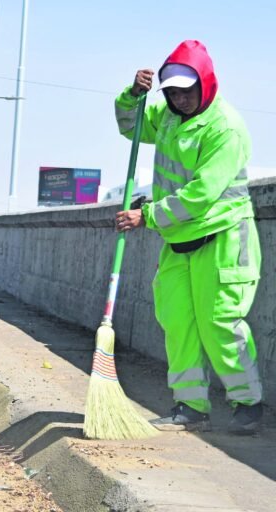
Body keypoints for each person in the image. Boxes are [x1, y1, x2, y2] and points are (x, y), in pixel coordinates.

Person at [114, 40, 263, 434]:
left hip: (223, 238)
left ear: (207, 84)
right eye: (172, 92)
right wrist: (133, 95)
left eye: (187, 90)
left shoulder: (224, 128)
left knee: (220, 322)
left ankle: (247, 403)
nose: (180, 99)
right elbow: (130, 126)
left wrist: (146, 216)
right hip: (179, 241)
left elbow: (200, 195)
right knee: (177, 322)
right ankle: (190, 406)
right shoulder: (165, 115)